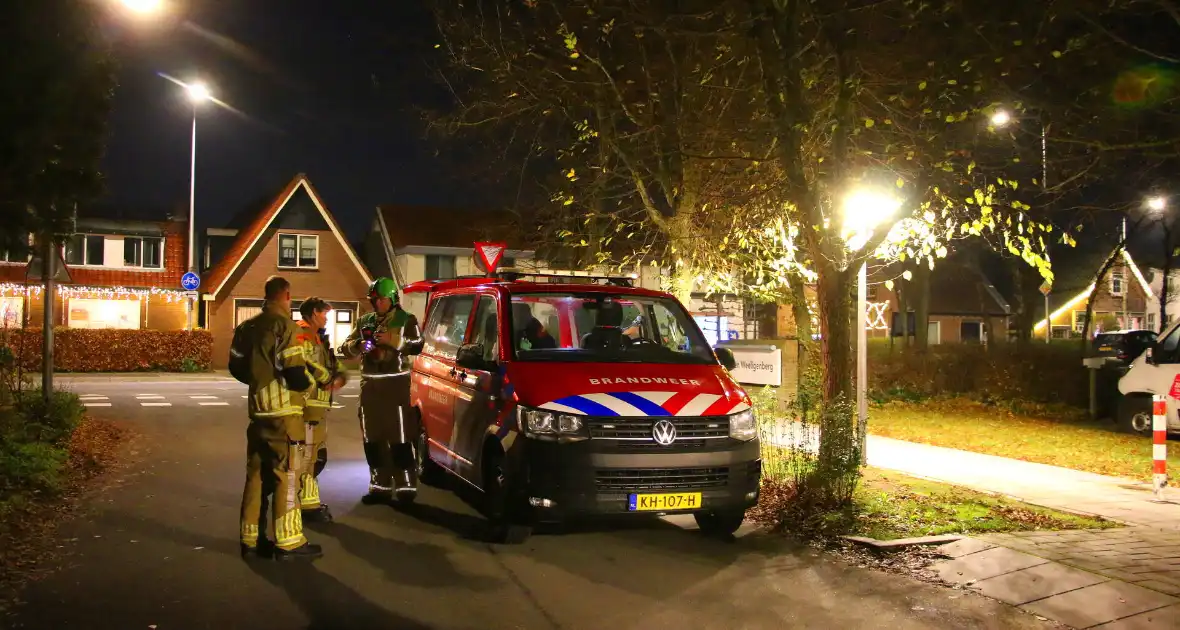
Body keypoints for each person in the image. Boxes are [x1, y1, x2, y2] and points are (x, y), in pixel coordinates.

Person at [232, 275, 322, 561]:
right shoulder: (286, 326)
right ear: (286, 295)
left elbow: (236, 366)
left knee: (256, 477)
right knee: (287, 477)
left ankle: (251, 539)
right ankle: (289, 542)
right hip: (284, 415)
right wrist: (310, 385)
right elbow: (295, 373)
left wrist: (259, 382)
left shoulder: (247, 327)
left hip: (257, 413)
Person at [339, 277, 422, 504]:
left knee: (400, 436)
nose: (376, 304)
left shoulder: (406, 319)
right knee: (372, 438)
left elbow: (418, 344)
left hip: (395, 385)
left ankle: (406, 485)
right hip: (370, 386)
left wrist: (392, 340)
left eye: (381, 300)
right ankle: (379, 485)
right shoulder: (365, 321)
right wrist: (359, 346)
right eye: (373, 300)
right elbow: (345, 346)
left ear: (393, 299)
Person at [295, 297, 346, 523]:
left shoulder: (318, 338)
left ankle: (308, 501)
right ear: (314, 313)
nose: (326, 318)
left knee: (314, 455)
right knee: (307, 457)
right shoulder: (302, 334)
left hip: (317, 406)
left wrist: (340, 374)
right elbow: (303, 364)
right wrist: (326, 377)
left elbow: (331, 363)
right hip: (308, 406)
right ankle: (305, 505)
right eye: (324, 313)